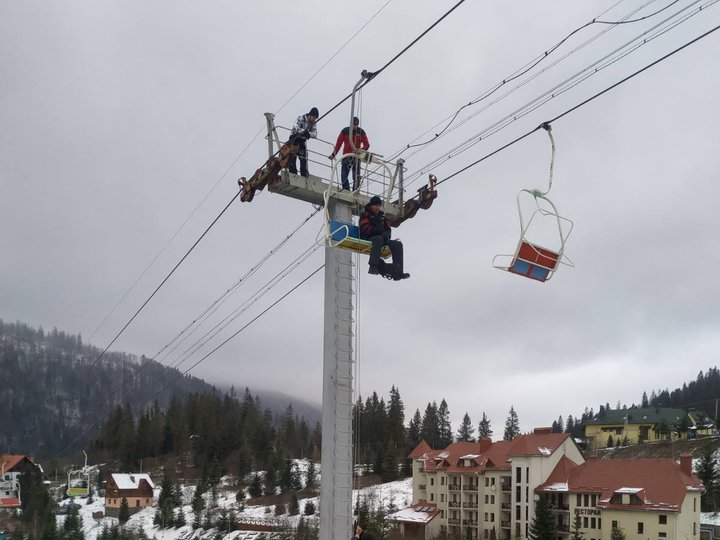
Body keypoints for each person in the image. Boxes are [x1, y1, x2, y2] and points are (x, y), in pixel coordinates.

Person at [359, 195, 410, 281]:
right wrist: (378, 231)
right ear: (371, 206)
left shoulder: (382, 217)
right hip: (369, 237)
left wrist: (387, 234)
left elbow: (388, 228)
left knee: (397, 244)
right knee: (378, 239)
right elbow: (365, 228)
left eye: (379, 205)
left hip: (382, 238)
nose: (378, 207)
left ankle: (398, 272)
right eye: (376, 205)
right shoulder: (365, 215)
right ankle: (373, 266)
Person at [329, 116, 370, 190]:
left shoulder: (361, 132)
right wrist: (333, 154)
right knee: (343, 176)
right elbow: (338, 144)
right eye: (354, 124)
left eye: (356, 125)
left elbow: (367, 145)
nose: (355, 126)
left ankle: (355, 191)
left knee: (356, 177)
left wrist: (359, 150)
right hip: (346, 157)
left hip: (356, 157)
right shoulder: (345, 131)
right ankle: (346, 190)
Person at [287, 107, 319, 177]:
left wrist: (308, 134)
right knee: (292, 157)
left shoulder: (313, 123)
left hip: (302, 141)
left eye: (315, 118)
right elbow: (295, 127)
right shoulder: (301, 118)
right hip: (294, 139)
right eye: (314, 117)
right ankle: (293, 174)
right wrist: (304, 132)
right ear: (310, 115)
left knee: (303, 157)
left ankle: (304, 175)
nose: (314, 120)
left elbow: (315, 134)